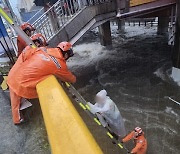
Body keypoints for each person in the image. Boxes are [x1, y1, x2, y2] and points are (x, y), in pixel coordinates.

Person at [7, 39, 76, 125]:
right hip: (23, 84)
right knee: (46, 84)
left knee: (15, 99)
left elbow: (28, 53)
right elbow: (70, 78)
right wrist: (74, 78)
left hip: (15, 75)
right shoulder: (59, 65)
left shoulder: (43, 50)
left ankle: (17, 119)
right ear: (66, 55)